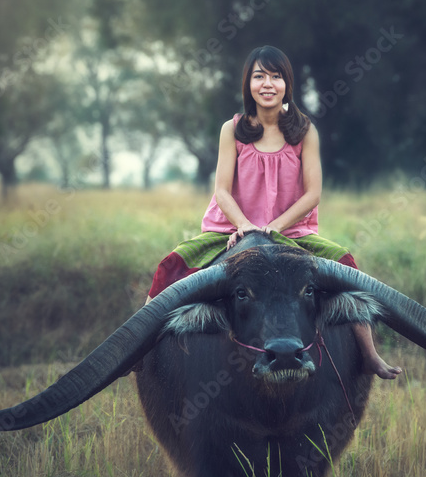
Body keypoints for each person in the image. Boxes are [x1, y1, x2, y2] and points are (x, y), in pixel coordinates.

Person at [147, 45, 401, 379]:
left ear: (287, 84)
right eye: (259, 76)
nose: (268, 84)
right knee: (171, 267)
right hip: (231, 228)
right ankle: (140, 352)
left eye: (276, 76)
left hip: (290, 231)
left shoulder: (305, 131)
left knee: (346, 267)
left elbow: (313, 193)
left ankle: (369, 354)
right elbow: (221, 189)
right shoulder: (233, 129)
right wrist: (244, 224)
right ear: (248, 84)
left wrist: (274, 227)